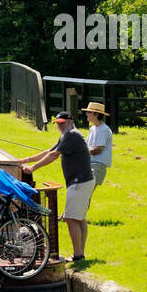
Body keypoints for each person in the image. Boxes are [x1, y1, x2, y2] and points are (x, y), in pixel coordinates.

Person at [22, 111, 96, 263]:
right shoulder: (66, 135)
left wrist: (32, 168)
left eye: (62, 122)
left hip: (79, 182)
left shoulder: (72, 135)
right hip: (82, 181)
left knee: (70, 218)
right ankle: (80, 253)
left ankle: (78, 255)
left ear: (70, 121)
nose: (60, 125)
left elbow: (54, 155)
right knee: (79, 218)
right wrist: (24, 160)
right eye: (58, 123)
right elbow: (48, 152)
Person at [83, 102, 113, 188]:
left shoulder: (104, 130)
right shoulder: (92, 128)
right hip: (89, 164)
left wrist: (81, 152)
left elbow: (97, 150)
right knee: (84, 195)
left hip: (97, 166)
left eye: (89, 112)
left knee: (86, 194)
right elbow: (85, 145)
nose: (86, 114)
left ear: (96, 114)